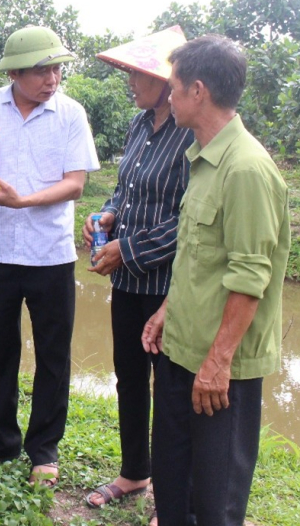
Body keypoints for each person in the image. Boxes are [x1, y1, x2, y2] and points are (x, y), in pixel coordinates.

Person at [142, 35, 291, 526]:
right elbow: (199, 256)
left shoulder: (246, 169)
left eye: (173, 87)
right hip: (181, 352)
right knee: (172, 487)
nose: (168, 96)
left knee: (215, 503)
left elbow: (250, 277)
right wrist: (167, 310)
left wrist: (218, 362)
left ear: (198, 91)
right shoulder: (203, 158)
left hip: (220, 372)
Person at [0, 25, 100, 487]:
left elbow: (75, 185)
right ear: (14, 73)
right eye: (41, 70)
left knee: (53, 354)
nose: (52, 78)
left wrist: (22, 202)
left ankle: (44, 451)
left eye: (57, 69)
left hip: (51, 255)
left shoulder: (70, 114)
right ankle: (2, 442)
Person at [81, 26, 192, 508]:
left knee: (170, 389)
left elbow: (191, 220)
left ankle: (171, 494)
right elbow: (125, 190)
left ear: (167, 80)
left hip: (166, 285)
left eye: (136, 73)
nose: (129, 81)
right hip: (127, 282)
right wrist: (107, 214)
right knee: (128, 376)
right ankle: (135, 473)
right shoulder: (139, 124)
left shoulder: (190, 134)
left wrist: (128, 248)